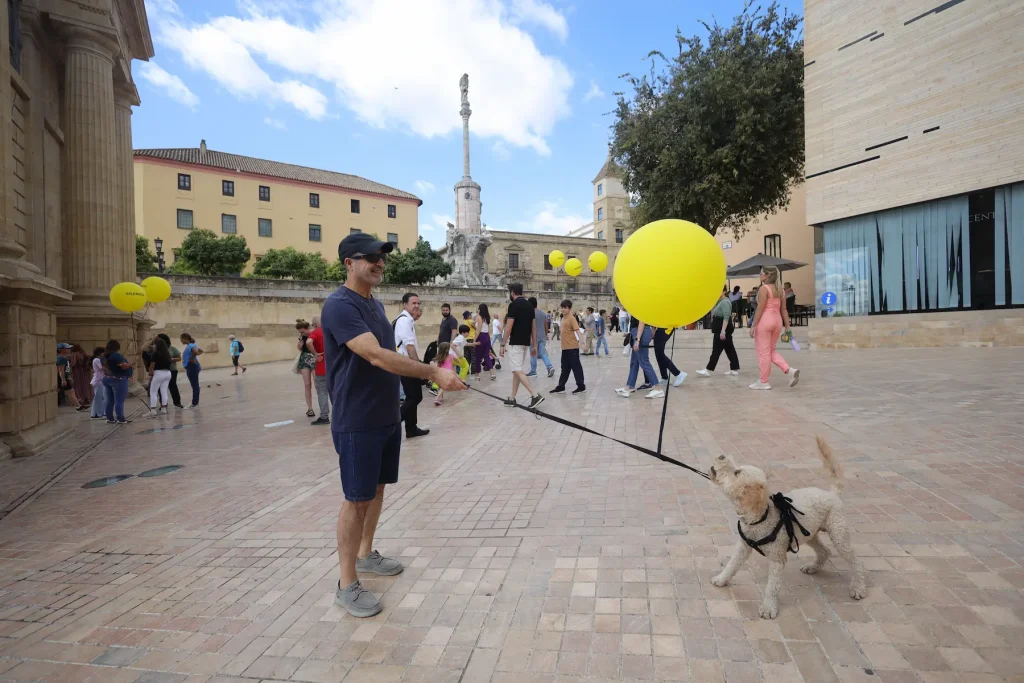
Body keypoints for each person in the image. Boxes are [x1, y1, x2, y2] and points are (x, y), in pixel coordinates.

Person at [321, 232, 465, 618]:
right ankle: (346, 582)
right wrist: (433, 372)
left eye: (382, 257)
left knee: (378, 488)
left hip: (386, 415)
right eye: (370, 257)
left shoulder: (374, 304)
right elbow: (377, 357)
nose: (379, 262)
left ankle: (366, 554)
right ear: (349, 263)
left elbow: (392, 356)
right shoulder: (338, 306)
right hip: (357, 419)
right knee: (356, 497)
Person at [748, 267, 800, 390]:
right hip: (777, 321)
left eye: (761, 273)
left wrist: (753, 325)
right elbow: (784, 309)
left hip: (765, 321)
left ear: (767, 275)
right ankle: (789, 370)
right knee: (771, 351)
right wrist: (787, 327)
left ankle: (763, 381)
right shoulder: (781, 290)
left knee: (763, 353)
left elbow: (760, 308)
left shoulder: (764, 289)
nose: (760, 275)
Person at [499, 283, 544, 409]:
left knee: (516, 370)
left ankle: (535, 395)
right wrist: (534, 345)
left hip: (515, 343)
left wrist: (502, 344)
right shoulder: (530, 305)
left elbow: (509, 327)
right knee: (516, 371)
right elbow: (534, 328)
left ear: (512, 292)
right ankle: (512, 398)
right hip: (525, 343)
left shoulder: (513, 305)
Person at [394, 293, 429, 437]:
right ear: (405, 304)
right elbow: (409, 347)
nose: (416, 306)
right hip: (407, 365)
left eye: (418, 303)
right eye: (413, 303)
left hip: (407, 364)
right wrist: (419, 368)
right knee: (415, 397)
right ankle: (393, 424)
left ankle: (411, 428)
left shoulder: (408, 321)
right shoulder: (404, 321)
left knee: (412, 397)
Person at [697, 287, 741, 377]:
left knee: (716, 350)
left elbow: (726, 317)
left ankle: (708, 369)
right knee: (729, 349)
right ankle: (734, 368)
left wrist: (723, 331)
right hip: (721, 328)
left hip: (722, 329)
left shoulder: (725, 302)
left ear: (724, 291)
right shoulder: (721, 301)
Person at [616, 315, 660, 399]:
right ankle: (629, 386)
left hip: (640, 333)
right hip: (638, 332)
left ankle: (657, 388)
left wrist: (638, 339)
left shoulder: (639, 305)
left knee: (644, 362)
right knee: (634, 363)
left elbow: (642, 320)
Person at [549, 300, 585, 395]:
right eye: (562, 307)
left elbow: (577, 330)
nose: (563, 309)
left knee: (576, 367)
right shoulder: (563, 318)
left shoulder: (571, 318)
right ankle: (561, 387)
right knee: (564, 368)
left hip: (572, 347)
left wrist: (582, 342)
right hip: (565, 348)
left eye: (565, 308)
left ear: (569, 308)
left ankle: (581, 386)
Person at [102, 339, 133, 424]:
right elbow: (124, 366)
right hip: (119, 379)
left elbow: (103, 368)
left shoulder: (105, 356)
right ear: (117, 347)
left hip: (107, 379)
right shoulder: (117, 356)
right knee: (119, 400)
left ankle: (109, 418)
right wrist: (131, 363)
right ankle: (120, 418)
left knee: (109, 399)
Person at [309, 316, 331, 426]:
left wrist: (315, 353)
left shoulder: (316, 332)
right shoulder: (332, 330)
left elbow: (308, 342)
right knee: (335, 392)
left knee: (322, 392)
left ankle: (324, 416)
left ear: (316, 324)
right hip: (334, 368)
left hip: (322, 368)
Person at [652, 327, 686, 393]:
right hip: (665, 328)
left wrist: (653, 329)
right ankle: (664, 377)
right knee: (659, 354)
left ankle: (678, 373)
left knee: (660, 354)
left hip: (663, 328)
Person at [527, 297, 554, 378]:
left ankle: (533, 371)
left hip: (534, 337)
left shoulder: (530, 313)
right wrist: (546, 334)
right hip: (542, 336)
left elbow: (529, 326)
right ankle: (549, 367)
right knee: (542, 353)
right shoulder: (542, 313)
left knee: (533, 354)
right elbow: (546, 325)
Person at [147, 337, 173, 417]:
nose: (153, 346)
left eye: (154, 344)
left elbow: (152, 366)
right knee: (164, 391)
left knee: (153, 391)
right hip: (167, 373)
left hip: (158, 373)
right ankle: (164, 408)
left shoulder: (155, 354)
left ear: (157, 345)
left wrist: (150, 375)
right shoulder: (167, 354)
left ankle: (153, 410)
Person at [158, 334, 183, 409]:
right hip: (161, 371)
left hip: (172, 370)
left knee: (173, 386)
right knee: (161, 388)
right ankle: (163, 404)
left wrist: (171, 359)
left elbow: (179, 358)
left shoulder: (172, 348)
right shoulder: (157, 349)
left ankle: (177, 402)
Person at [473, 304, 496, 381]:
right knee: (486, 356)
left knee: (478, 356)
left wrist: (474, 340)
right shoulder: (487, 317)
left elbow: (478, 329)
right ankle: (492, 373)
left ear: (480, 309)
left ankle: (477, 375)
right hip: (487, 336)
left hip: (481, 336)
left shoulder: (479, 317)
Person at [56, 344, 83, 410]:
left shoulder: (63, 357)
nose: (69, 349)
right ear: (62, 350)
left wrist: (67, 377)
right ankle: (78, 406)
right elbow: (61, 370)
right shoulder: (61, 358)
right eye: (67, 348)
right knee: (70, 391)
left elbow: (65, 369)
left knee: (70, 391)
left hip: (63, 377)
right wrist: (63, 379)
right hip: (61, 377)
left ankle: (78, 406)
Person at [180, 333, 202, 408]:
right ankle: (195, 401)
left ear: (185, 338)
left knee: (194, 385)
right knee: (195, 384)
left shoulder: (191, 345)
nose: (181, 341)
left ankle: (195, 403)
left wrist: (192, 358)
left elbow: (196, 352)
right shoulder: (192, 345)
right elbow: (200, 351)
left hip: (191, 366)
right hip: (192, 366)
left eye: (181, 339)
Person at [89, 347, 108, 419]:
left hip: (101, 380)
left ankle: (101, 412)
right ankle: (96, 413)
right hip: (98, 380)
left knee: (102, 397)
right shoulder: (96, 360)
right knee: (98, 397)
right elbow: (102, 368)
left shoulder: (100, 359)